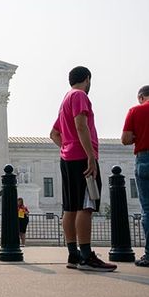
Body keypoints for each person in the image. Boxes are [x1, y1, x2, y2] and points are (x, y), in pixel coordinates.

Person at [50, 66, 117, 272]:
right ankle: (87, 256)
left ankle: (73, 254)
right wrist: (89, 155)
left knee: (69, 207)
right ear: (87, 79)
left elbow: (53, 134)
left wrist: (66, 147)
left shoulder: (65, 100)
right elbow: (81, 125)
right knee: (85, 205)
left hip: (67, 158)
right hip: (81, 157)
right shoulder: (79, 95)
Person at [121, 85, 149, 269]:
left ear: (141, 97)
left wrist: (139, 136)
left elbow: (125, 139)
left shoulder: (135, 111)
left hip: (146, 160)